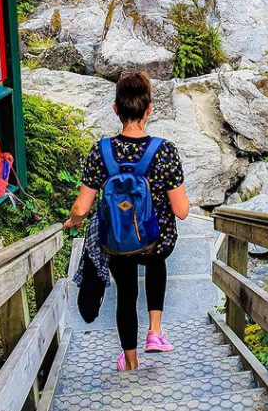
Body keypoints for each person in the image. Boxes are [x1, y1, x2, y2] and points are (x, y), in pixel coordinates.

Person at [64, 71, 189, 371]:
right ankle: (155, 331)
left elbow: (81, 207)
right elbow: (182, 211)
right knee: (156, 256)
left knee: (127, 292)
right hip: (156, 241)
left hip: (117, 241)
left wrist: (73, 223)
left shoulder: (101, 151)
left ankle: (130, 360)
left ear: (116, 109)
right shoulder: (164, 150)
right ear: (149, 110)